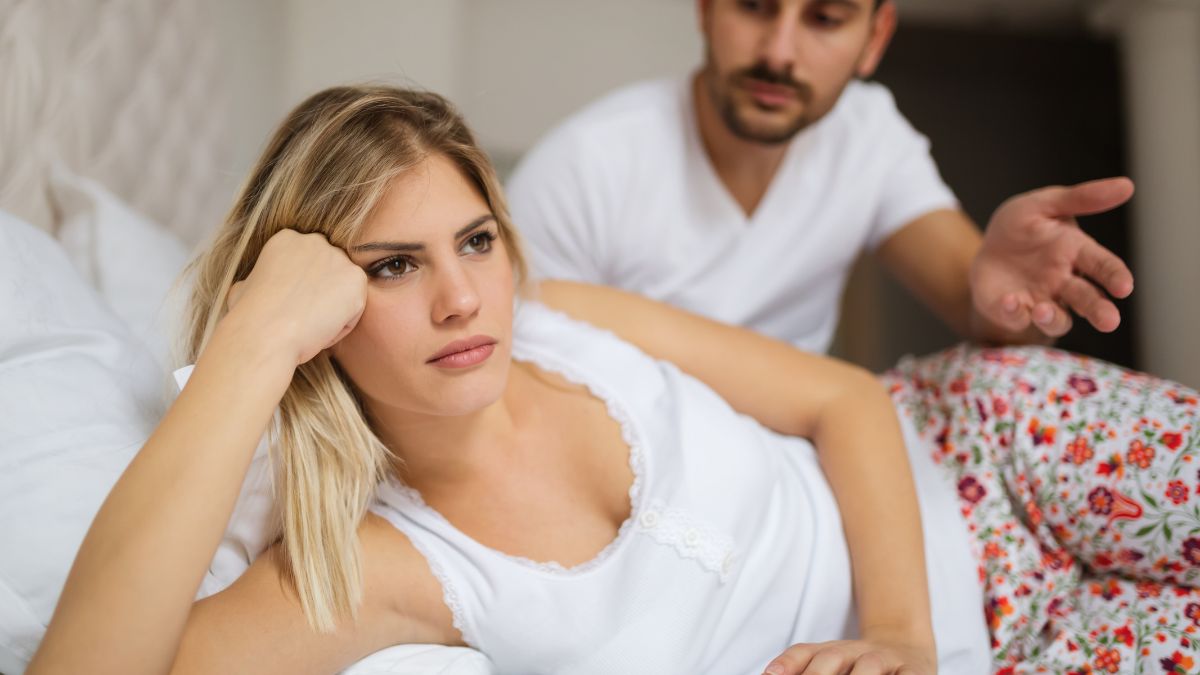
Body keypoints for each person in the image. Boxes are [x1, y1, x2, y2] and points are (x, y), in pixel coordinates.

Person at [26, 86, 1197, 675]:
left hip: (976, 446)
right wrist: (248, 348)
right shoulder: (371, 571)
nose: (460, 299)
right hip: (1024, 651)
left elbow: (844, 402)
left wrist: (902, 637)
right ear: (319, 309)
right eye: (392, 266)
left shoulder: (562, 320)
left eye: (475, 240)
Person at [506, 0, 1136, 354]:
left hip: (792, 462)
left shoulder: (869, 135)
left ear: (874, 38)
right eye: (754, 7)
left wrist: (1010, 298)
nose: (779, 51)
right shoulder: (585, 167)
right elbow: (525, 390)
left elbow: (984, 306)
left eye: (825, 18)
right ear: (704, 8)